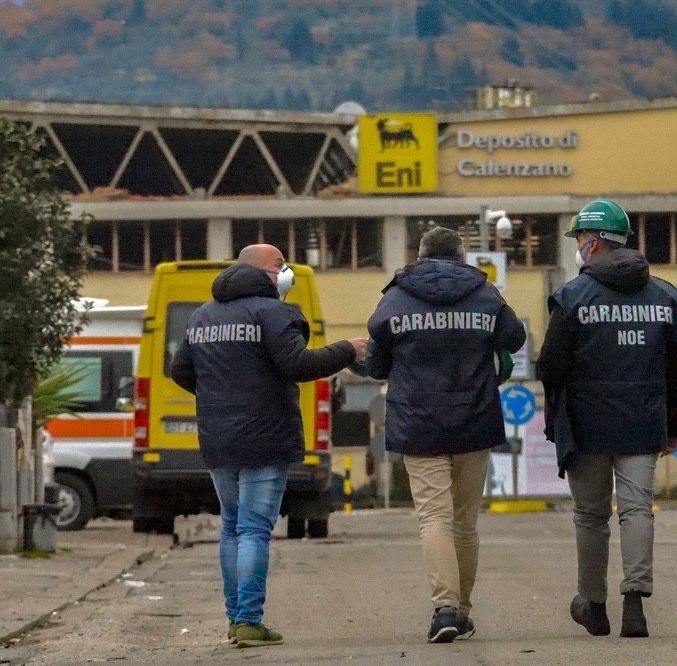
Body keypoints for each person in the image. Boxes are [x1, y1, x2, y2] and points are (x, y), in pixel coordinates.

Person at [170, 244, 367, 648]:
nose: (285, 272)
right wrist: (348, 349)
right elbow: (298, 365)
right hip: (265, 435)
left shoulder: (202, 316)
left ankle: (234, 618)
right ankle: (248, 620)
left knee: (231, 527)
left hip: (218, 436)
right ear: (262, 271)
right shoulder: (274, 312)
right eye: (280, 265)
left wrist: (218, 395)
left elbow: (180, 370)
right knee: (255, 529)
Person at [537, 199, 677, 638]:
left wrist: (559, 413)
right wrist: (673, 427)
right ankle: (635, 602)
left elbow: (549, 366)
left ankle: (593, 603)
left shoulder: (572, 297)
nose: (579, 247)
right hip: (642, 424)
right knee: (637, 509)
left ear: (596, 242)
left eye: (581, 239)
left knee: (590, 516)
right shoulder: (664, 297)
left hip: (586, 427)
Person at [365, 226, 526, 644]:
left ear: (419, 257)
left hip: (418, 424)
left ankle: (445, 609)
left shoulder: (396, 298)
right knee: (465, 523)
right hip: (474, 420)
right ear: (462, 258)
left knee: (434, 518)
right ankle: (464, 610)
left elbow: (377, 364)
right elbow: (515, 337)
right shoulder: (485, 294)